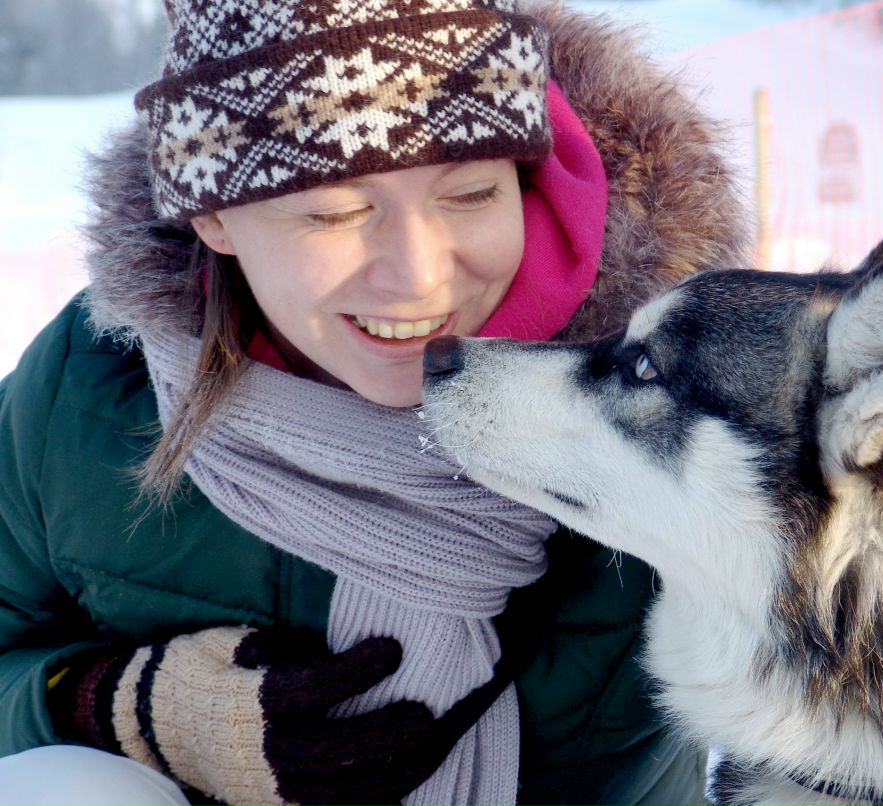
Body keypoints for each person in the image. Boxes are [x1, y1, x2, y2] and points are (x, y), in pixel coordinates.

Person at [0, 1, 750, 805]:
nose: (420, 277)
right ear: (212, 214)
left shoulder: (680, 391)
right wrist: (122, 709)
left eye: (469, 194)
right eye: (336, 211)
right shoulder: (93, 381)